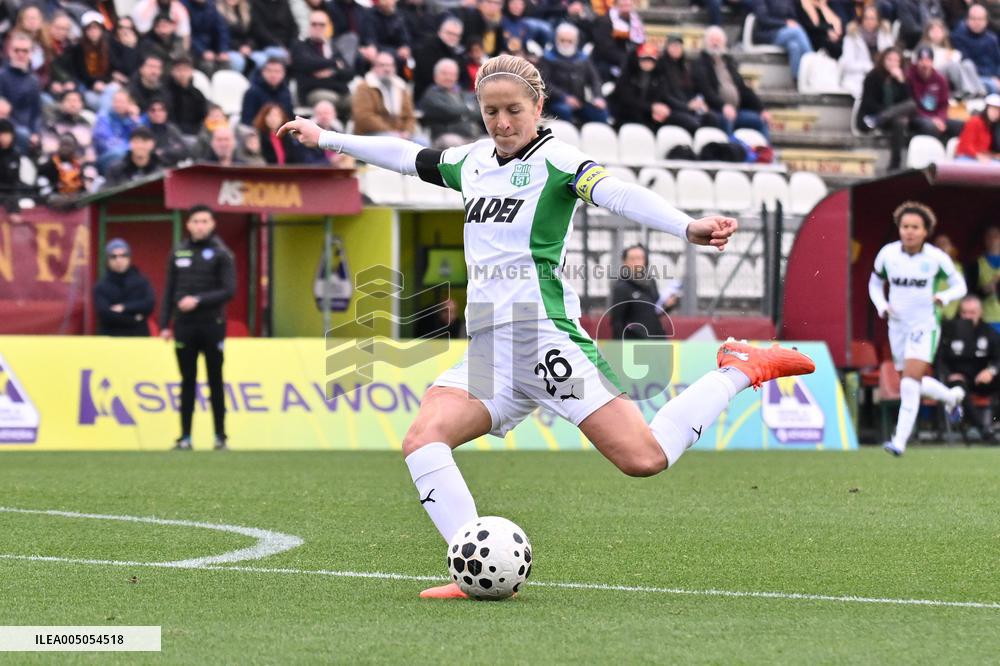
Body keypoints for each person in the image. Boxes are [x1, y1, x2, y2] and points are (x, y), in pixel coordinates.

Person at [278, 53, 815, 599]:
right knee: (423, 438)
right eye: (490, 113)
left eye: (514, 110)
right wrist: (327, 137)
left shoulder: (560, 162)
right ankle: (475, 569)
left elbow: (620, 195)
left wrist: (686, 226)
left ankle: (738, 369)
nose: (503, 123)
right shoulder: (471, 161)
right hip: (490, 352)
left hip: (546, 340)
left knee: (645, 458)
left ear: (538, 105)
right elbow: (405, 155)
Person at [868, 201, 967, 456]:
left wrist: (943, 297)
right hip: (897, 325)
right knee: (911, 381)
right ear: (899, 229)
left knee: (910, 382)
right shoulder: (888, 254)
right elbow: (875, 284)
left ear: (925, 231)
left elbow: (960, 286)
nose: (909, 231)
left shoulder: (935, 258)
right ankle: (952, 397)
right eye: (904, 226)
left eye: (915, 227)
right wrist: (882, 305)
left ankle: (899, 441)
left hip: (925, 325)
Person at [159, 204, 236, 451]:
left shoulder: (221, 253)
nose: (200, 226)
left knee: (215, 380)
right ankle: (185, 437)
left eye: (204, 221)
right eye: (195, 221)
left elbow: (228, 290)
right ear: (188, 224)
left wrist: (199, 300)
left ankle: (220, 437)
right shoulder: (178, 252)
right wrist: (164, 324)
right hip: (184, 326)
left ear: (212, 224)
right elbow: (169, 289)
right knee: (187, 381)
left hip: (212, 324)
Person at [937, 294, 1000, 441]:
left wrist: (991, 371)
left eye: (972, 313)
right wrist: (948, 375)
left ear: (980, 313)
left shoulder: (988, 333)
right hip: (957, 381)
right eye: (964, 312)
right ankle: (983, 430)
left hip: (981, 380)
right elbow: (939, 359)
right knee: (959, 387)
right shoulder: (949, 332)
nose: (968, 316)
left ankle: (995, 422)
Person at [691, 26, 771, 138]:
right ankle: (730, 151)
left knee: (761, 120)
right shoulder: (700, 64)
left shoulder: (729, 63)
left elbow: (743, 89)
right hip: (715, 111)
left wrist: (761, 109)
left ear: (724, 43)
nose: (715, 43)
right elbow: (706, 91)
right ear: (705, 43)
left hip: (736, 110)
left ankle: (766, 153)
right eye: (712, 40)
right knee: (727, 119)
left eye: (718, 41)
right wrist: (723, 107)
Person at [539, 22, 608, 126]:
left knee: (600, 113)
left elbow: (595, 80)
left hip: (580, 102)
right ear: (556, 39)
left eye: (570, 41)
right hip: (556, 102)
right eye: (562, 40)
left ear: (576, 41)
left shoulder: (583, 59)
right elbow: (544, 83)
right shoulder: (547, 58)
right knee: (564, 111)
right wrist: (564, 97)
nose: (566, 44)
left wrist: (598, 97)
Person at [856, 48, 911, 171]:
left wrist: (901, 81)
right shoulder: (872, 76)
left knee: (905, 114)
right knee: (900, 118)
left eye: (896, 61)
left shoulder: (901, 78)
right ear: (883, 60)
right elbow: (868, 102)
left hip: (884, 119)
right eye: (889, 59)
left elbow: (906, 102)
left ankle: (894, 164)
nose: (893, 63)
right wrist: (886, 111)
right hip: (871, 116)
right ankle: (882, 117)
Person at [290, 10, 355, 109]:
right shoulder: (300, 46)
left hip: (338, 91)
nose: (318, 27)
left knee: (358, 101)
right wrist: (333, 63)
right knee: (329, 99)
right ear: (308, 26)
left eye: (322, 24)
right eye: (314, 24)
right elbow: (305, 64)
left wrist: (332, 72)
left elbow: (349, 72)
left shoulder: (332, 47)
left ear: (327, 27)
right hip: (313, 92)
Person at [610, 244, 677, 339]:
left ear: (645, 261)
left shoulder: (651, 282)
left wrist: (667, 305)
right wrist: (620, 347)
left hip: (656, 338)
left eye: (640, 258)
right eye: (632, 259)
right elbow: (617, 321)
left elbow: (656, 310)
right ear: (625, 262)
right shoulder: (621, 287)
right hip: (634, 342)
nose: (637, 262)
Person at [93, 238, 156, 336]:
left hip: (138, 339)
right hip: (110, 339)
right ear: (108, 260)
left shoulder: (141, 281)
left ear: (129, 258)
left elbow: (149, 304)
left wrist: (124, 307)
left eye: (123, 255)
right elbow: (105, 313)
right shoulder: (101, 285)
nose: (119, 260)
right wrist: (135, 318)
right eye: (113, 256)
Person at [351, 50, 417, 139]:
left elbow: (409, 116)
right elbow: (364, 117)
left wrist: (407, 132)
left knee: (422, 142)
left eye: (390, 65)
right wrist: (391, 132)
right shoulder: (364, 87)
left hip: (399, 135)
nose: (387, 69)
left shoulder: (401, 87)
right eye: (382, 65)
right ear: (373, 68)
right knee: (391, 141)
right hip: (371, 135)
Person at [419, 58, 484, 147]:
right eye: (444, 74)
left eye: (452, 74)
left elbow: (480, 112)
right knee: (454, 144)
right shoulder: (431, 94)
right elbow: (447, 111)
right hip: (445, 136)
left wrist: (460, 114)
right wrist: (468, 109)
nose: (449, 77)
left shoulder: (462, 93)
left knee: (489, 144)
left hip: (472, 136)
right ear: (435, 76)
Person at [906, 46, 964, 145]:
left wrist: (940, 119)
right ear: (917, 62)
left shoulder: (940, 79)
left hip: (936, 117)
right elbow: (910, 105)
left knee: (961, 126)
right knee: (930, 126)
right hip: (917, 117)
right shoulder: (909, 77)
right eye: (922, 60)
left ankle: (952, 155)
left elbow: (944, 104)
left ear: (932, 62)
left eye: (928, 60)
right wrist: (932, 119)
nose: (925, 64)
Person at [919, 18, 987, 100]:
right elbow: (926, 66)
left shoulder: (946, 48)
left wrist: (952, 57)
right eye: (933, 31)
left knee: (967, 63)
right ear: (927, 33)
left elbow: (957, 56)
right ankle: (966, 91)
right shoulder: (924, 48)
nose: (936, 34)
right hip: (933, 75)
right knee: (952, 64)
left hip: (947, 70)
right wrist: (946, 59)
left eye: (939, 31)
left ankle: (980, 91)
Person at [838, 4, 894, 97]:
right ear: (861, 20)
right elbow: (847, 63)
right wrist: (869, 67)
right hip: (857, 77)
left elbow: (891, 57)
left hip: (882, 75)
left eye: (872, 18)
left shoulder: (885, 35)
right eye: (866, 18)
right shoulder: (851, 36)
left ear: (878, 21)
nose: (869, 21)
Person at [0, 32, 42, 151]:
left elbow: (36, 112)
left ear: (31, 53)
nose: (20, 54)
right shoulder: (2, 77)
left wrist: (36, 133)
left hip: (28, 129)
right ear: (9, 51)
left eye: (25, 51)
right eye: (16, 50)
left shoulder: (33, 80)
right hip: (7, 130)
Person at [412, 16, 469, 103]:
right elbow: (428, 78)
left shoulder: (458, 53)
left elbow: (464, 78)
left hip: (453, 96)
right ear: (440, 32)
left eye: (456, 35)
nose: (453, 37)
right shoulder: (428, 48)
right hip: (427, 97)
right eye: (449, 33)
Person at [751, 0, 814, 79]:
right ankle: (813, 64)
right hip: (767, 33)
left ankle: (797, 78)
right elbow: (763, 19)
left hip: (785, 32)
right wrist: (784, 23)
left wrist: (790, 22)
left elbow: (794, 18)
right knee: (797, 31)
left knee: (794, 46)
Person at [950, 3, 1000, 95]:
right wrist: (991, 77)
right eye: (973, 19)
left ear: (986, 21)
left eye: (980, 19)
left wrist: (997, 77)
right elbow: (967, 64)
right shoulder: (958, 38)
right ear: (967, 20)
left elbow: (998, 61)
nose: (977, 22)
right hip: (973, 79)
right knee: (992, 86)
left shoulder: (992, 39)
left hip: (994, 77)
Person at [591, 0, 645, 81]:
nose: (626, 5)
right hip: (606, 65)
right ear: (616, 4)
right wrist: (626, 60)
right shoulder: (604, 21)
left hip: (627, 62)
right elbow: (604, 48)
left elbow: (639, 42)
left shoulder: (635, 22)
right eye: (623, 3)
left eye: (629, 4)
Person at [240, 56, 294, 127]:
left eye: (277, 71)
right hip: (258, 133)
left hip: (282, 133)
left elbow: (289, 117)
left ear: (283, 73)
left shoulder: (286, 92)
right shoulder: (252, 92)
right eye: (269, 71)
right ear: (263, 72)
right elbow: (246, 121)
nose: (273, 75)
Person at [965, 225, 1000, 330]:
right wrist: (985, 290)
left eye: (996, 236)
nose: (993, 239)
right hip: (986, 319)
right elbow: (969, 294)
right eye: (990, 236)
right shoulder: (975, 264)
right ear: (985, 240)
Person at [955, 93, 1000, 162]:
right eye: (993, 109)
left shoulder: (990, 126)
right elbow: (966, 145)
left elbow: (983, 150)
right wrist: (977, 156)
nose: (996, 113)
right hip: (965, 157)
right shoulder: (974, 121)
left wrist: (994, 155)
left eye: (998, 110)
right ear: (986, 108)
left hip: (979, 159)